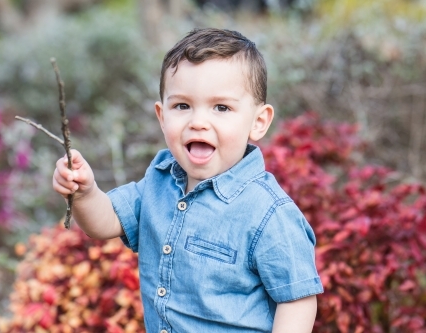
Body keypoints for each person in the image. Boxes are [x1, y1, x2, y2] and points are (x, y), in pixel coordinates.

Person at [53, 28, 323, 333]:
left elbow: (297, 299)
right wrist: (85, 193)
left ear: (258, 122)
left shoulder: (267, 212)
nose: (198, 122)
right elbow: (104, 223)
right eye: (182, 106)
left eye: (221, 108)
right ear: (162, 115)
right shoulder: (159, 179)